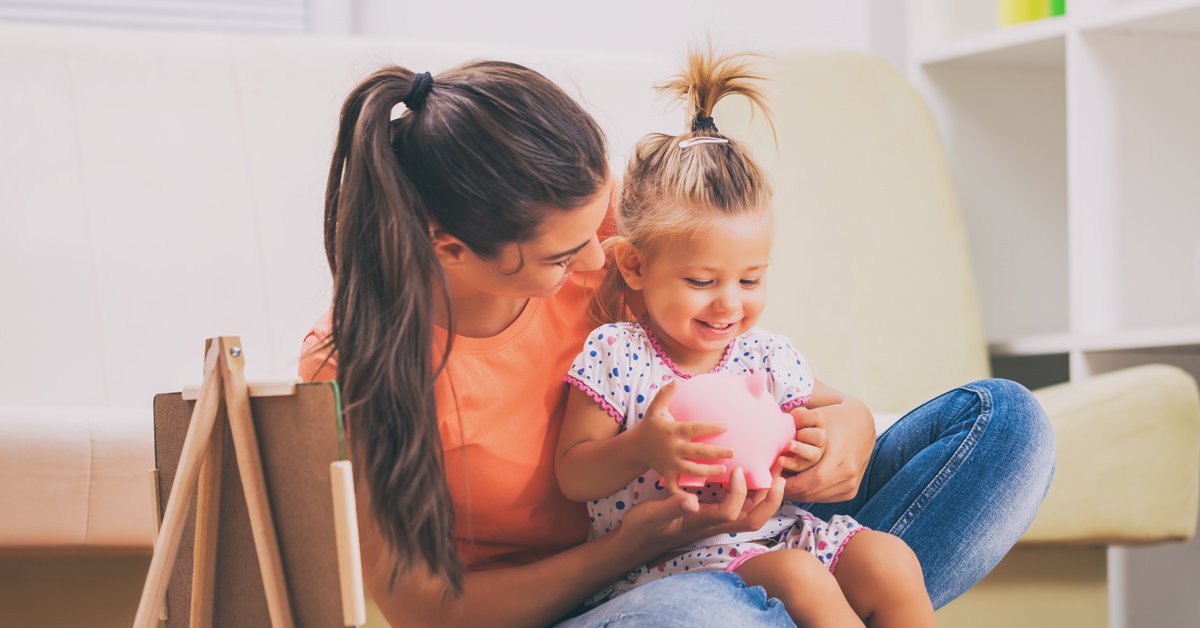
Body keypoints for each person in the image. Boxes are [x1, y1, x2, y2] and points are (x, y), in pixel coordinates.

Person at [300, 55, 1055, 627]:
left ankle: (806, 598)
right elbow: (425, 608)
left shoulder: (592, 231)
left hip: (745, 527)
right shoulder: (358, 365)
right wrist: (627, 549)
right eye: (563, 258)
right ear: (450, 247)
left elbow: (761, 369)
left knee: (1006, 425)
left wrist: (845, 430)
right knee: (703, 613)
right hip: (600, 598)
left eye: (603, 228)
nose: (601, 265)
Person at [554, 49, 936, 627]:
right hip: (668, 562)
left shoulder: (766, 354)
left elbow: (832, 413)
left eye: (750, 279)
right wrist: (641, 449)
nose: (729, 302)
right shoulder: (617, 354)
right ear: (634, 266)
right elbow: (572, 473)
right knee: (798, 577)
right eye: (701, 281)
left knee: (890, 559)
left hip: (774, 530)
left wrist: (813, 439)